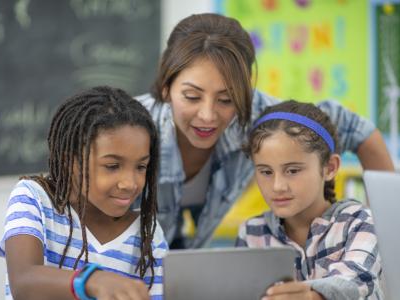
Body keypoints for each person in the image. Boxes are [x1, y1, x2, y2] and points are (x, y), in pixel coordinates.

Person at [136, 13, 394, 249]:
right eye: (192, 96)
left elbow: (357, 130)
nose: (207, 115)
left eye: (227, 100)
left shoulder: (263, 116)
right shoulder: (129, 125)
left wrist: (384, 237)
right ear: (166, 87)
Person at [0, 86, 167, 300]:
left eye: (141, 167)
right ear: (70, 163)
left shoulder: (148, 234)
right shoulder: (34, 198)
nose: (130, 183)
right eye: (112, 166)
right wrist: (91, 281)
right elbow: (23, 282)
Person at [236, 100, 383, 299]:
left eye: (293, 170)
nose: (278, 186)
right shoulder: (250, 234)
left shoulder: (360, 222)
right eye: (266, 172)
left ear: (329, 168)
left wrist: (313, 296)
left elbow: (358, 279)